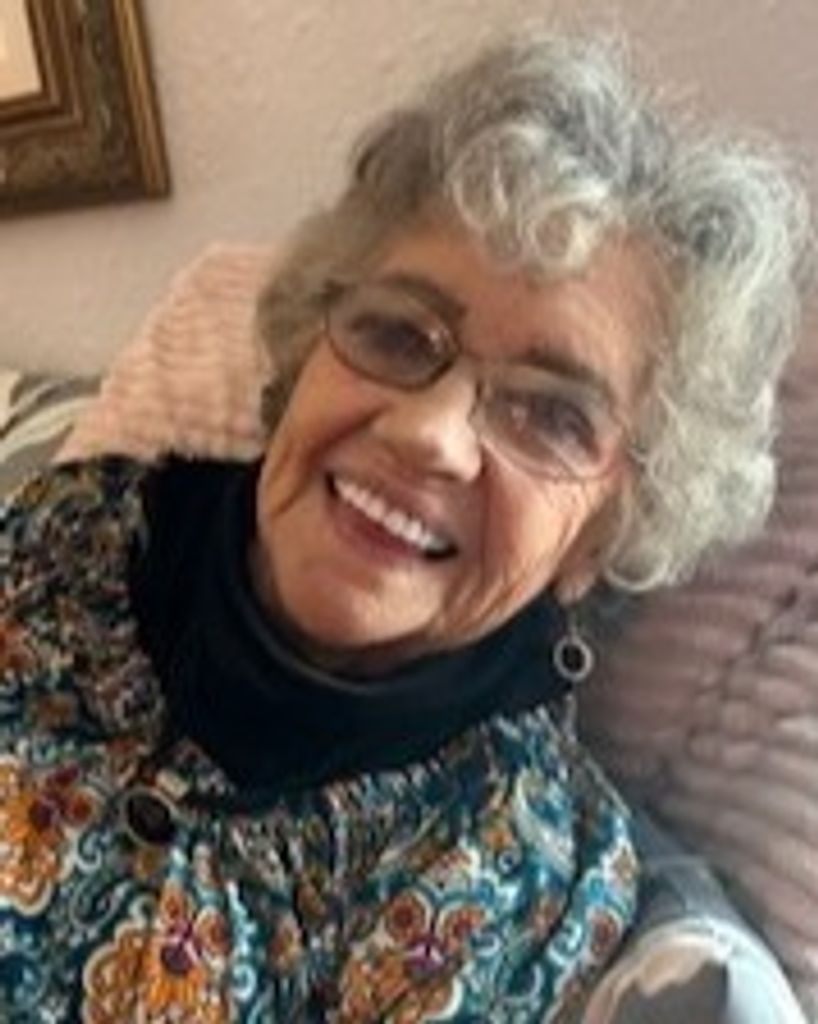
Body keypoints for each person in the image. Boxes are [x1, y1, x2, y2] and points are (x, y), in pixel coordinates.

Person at [0, 30, 809, 1023]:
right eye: (396, 332)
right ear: (309, 348)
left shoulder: (519, 895)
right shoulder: (69, 529)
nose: (428, 433)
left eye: (550, 414)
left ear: (601, 537)